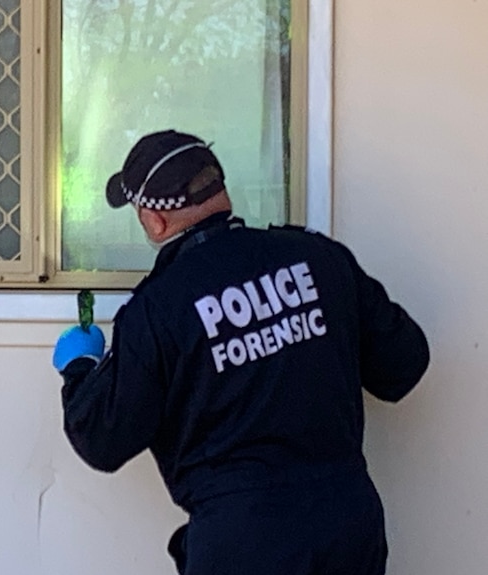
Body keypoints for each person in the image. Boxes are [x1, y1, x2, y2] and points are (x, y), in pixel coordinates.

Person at [51, 130, 430, 574]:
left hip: (243, 539)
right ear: (220, 190)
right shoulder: (318, 258)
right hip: (345, 523)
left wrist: (80, 370)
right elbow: (404, 365)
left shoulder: (158, 309)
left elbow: (103, 440)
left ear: (154, 221)